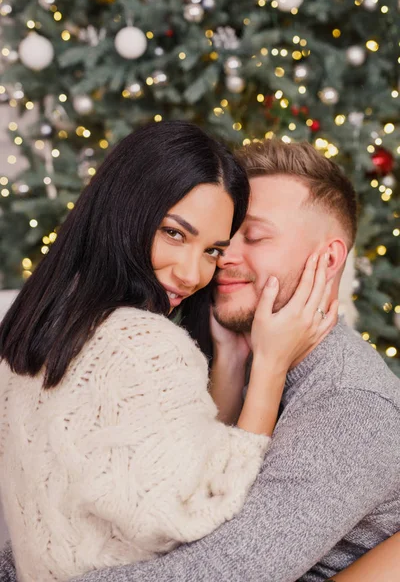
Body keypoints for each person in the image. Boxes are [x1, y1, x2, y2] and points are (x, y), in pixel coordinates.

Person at [0, 122, 334, 582]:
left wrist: (229, 359)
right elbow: (200, 509)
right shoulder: (140, 342)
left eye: (213, 250)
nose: (192, 273)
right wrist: (271, 366)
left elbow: (153, 460)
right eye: (175, 233)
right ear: (126, 209)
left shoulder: (36, 323)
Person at [56, 138, 397, 582]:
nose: (222, 259)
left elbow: (223, 570)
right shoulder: (216, 349)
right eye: (223, 241)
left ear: (328, 259)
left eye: (254, 236)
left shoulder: (353, 407)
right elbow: (132, 511)